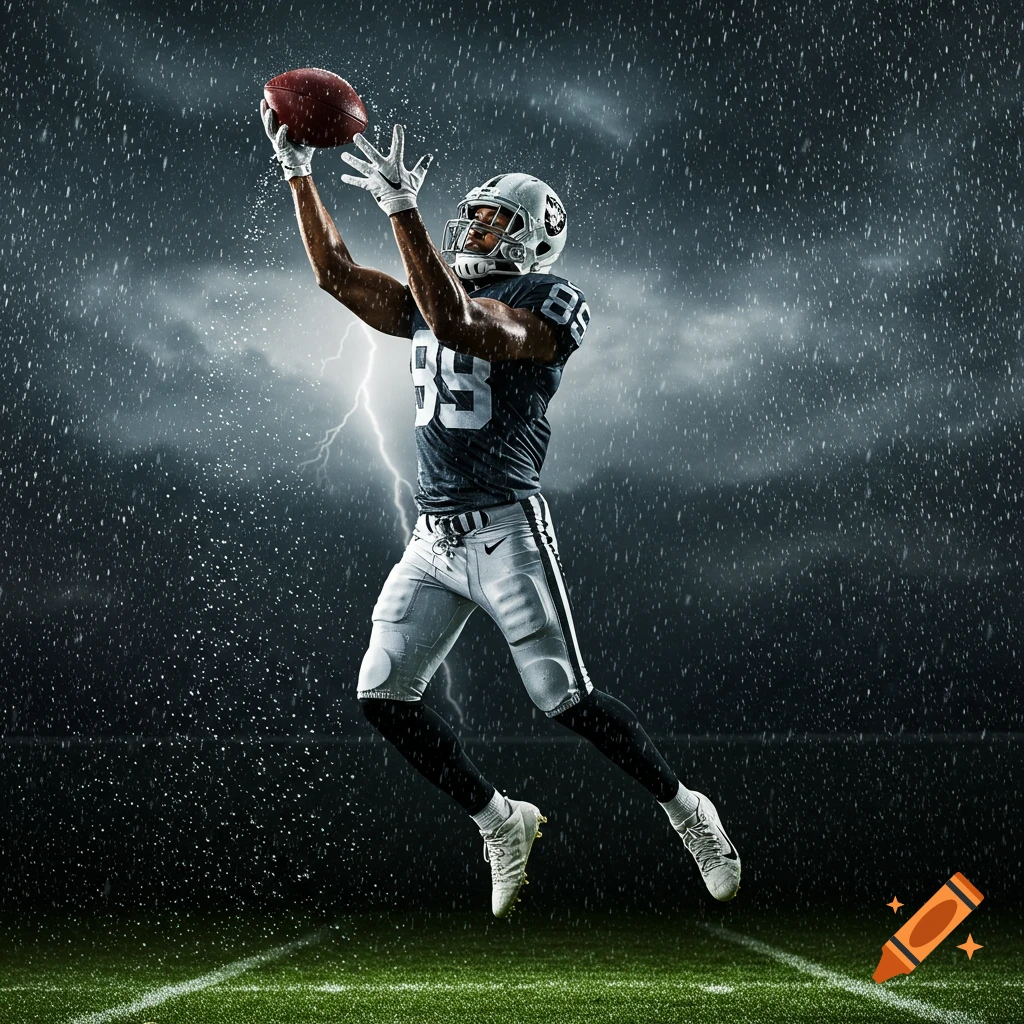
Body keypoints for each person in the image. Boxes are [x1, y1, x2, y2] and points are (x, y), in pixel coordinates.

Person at [261, 104, 741, 917]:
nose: (476, 227)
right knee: (382, 696)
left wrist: (401, 209)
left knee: (566, 701)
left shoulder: (550, 301)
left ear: (535, 238)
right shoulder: (432, 291)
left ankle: (687, 810)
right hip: (432, 538)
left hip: (505, 531)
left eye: (496, 220)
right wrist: (297, 172)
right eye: (474, 214)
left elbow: (457, 322)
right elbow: (336, 276)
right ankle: (499, 820)